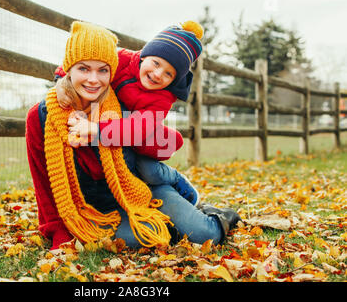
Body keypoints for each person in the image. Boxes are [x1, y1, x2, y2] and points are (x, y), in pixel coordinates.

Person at [26, 21, 240, 251]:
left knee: (205, 234)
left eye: (103, 70)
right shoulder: (42, 116)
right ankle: (170, 222)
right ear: (69, 68)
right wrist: (57, 229)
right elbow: (43, 183)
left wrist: (97, 131)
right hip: (98, 206)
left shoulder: (120, 102)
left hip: (137, 186)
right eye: (83, 69)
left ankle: (207, 211)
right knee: (141, 238)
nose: (93, 80)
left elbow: (144, 133)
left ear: (111, 70)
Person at [55, 21, 205, 206]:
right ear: (145, 55)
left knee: (150, 171)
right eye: (156, 63)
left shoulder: (164, 98)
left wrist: (97, 129)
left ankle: (174, 178)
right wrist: (61, 79)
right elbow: (84, 60)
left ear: (174, 80)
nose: (158, 74)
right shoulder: (122, 59)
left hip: (136, 134)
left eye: (168, 74)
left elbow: (139, 129)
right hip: (114, 121)